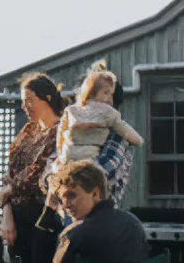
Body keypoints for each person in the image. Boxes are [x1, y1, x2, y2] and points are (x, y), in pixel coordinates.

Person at [0, 73, 65, 263]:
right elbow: (8, 175)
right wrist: (6, 210)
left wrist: (10, 189)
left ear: (46, 97)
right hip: (17, 216)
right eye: (22, 101)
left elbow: (37, 174)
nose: (25, 106)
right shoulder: (27, 131)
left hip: (42, 215)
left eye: (29, 99)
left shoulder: (62, 131)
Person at [48, 61, 143, 218]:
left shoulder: (118, 138)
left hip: (100, 214)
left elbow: (102, 172)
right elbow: (52, 168)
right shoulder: (75, 128)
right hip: (73, 212)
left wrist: (63, 175)